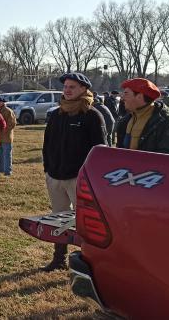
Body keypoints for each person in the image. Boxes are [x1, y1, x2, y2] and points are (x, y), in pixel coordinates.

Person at [41, 73, 106, 271]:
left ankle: (88, 261)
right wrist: (48, 169)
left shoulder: (92, 115)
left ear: (84, 90)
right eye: (66, 86)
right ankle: (59, 258)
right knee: (59, 220)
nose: (67, 90)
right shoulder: (57, 114)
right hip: (55, 177)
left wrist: (88, 177)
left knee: (85, 222)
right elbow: (47, 145)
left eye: (73, 87)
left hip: (79, 178)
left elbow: (100, 149)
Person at [116, 78, 169, 155]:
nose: (122, 98)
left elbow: (168, 158)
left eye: (126, 93)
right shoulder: (125, 121)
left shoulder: (166, 122)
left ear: (139, 96)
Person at [0, 97, 17, 177]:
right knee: (0, 154)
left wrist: (3, 131)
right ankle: (1, 170)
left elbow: (12, 123)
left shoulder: (8, 111)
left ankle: (8, 172)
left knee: (7, 155)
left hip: (6, 137)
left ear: (2, 103)